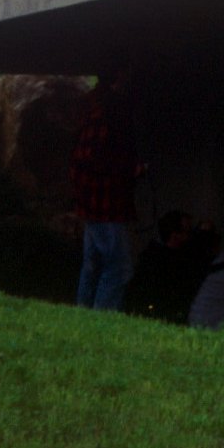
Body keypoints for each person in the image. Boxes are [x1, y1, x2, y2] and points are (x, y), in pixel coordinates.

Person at [69, 69, 140, 311]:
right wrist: (131, 170)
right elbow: (96, 158)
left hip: (91, 200)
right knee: (119, 267)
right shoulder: (108, 111)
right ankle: (102, 318)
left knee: (93, 264)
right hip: (107, 201)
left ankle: (84, 313)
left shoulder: (92, 106)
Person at [125, 210, 218, 324]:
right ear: (175, 235)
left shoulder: (157, 255)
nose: (190, 236)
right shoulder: (163, 262)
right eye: (187, 232)